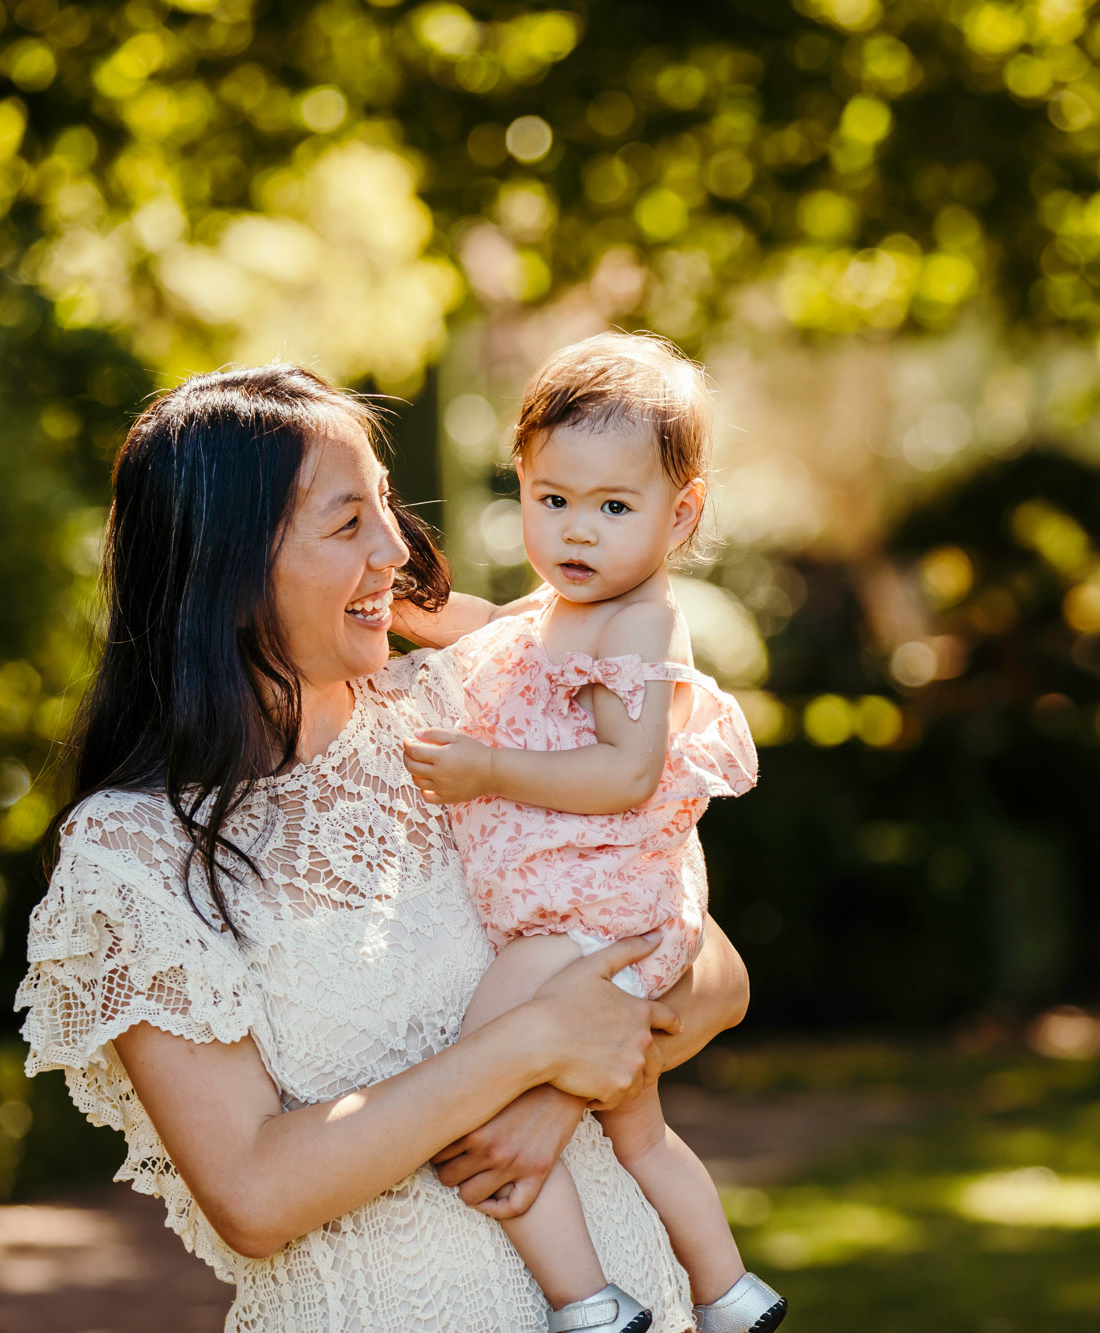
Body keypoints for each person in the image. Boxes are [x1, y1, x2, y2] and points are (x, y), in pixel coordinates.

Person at [14, 364, 752, 1333]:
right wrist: (528, 1047)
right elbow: (253, 1197)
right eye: (345, 522)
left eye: (387, 508)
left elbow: (712, 971)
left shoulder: (457, 722)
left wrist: (549, 1101)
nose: (396, 547)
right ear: (228, 565)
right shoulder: (133, 853)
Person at [399, 334, 785, 1333]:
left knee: (472, 1081)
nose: (575, 531)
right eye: (550, 499)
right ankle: (727, 1290)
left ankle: (586, 1302)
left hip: (586, 918)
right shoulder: (573, 603)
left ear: (680, 512)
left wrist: (487, 769)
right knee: (639, 1130)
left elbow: (624, 774)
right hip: (588, 914)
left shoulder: (639, 626)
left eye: (612, 507)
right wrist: (418, 615)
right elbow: (495, 627)